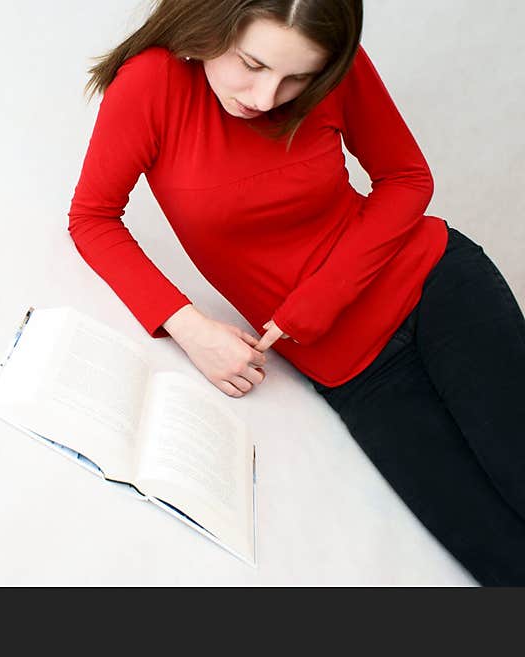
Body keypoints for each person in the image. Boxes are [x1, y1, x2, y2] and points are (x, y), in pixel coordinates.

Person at [66, 0, 525, 585]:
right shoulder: (151, 84)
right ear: (210, 24)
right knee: (503, 563)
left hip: (438, 286)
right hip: (356, 373)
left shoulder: (338, 66)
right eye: (252, 64)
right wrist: (188, 325)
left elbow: (407, 178)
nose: (265, 98)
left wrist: (315, 302)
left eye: (297, 79)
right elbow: (93, 218)